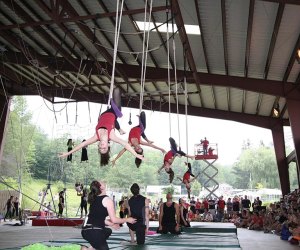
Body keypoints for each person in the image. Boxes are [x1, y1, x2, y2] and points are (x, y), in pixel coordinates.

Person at [59, 88, 144, 166]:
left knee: (115, 95)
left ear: (98, 145)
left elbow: (82, 144)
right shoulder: (112, 136)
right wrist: (136, 154)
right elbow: (125, 144)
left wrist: (68, 153)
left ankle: (118, 125)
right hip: (114, 113)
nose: (102, 147)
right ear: (108, 145)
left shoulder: (96, 137)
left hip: (103, 114)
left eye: (100, 148)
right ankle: (119, 124)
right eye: (105, 148)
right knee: (117, 91)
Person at [81, 180, 136, 250]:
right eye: (100, 182)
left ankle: (92, 247)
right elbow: (114, 219)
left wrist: (112, 224)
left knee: (108, 231)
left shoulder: (94, 199)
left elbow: (98, 218)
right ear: (101, 188)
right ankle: (89, 247)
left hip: (85, 231)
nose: (102, 181)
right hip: (95, 232)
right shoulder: (107, 200)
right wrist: (127, 219)